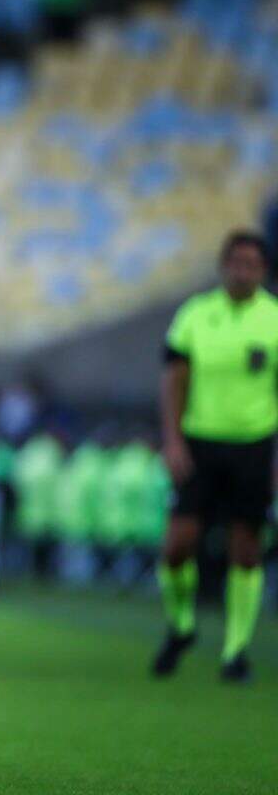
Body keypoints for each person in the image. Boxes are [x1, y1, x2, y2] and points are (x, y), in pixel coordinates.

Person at [153, 230, 276, 684]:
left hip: (254, 443)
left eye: (252, 265)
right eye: (236, 263)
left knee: (246, 549)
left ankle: (235, 650)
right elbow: (174, 380)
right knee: (176, 546)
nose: (243, 272)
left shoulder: (274, 319)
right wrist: (173, 440)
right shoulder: (196, 314)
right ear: (223, 266)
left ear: (264, 271)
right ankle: (181, 625)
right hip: (199, 443)